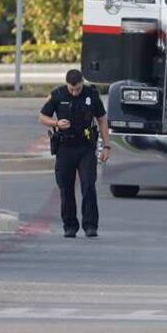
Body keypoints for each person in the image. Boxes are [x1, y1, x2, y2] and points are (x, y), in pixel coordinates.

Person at [39, 69, 111, 237]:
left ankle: (90, 225)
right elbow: (42, 117)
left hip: (85, 147)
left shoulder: (91, 95)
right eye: (71, 89)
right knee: (66, 188)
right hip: (65, 147)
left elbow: (101, 119)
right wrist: (56, 122)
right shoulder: (58, 94)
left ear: (81, 83)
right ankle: (70, 225)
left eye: (77, 89)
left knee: (88, 185)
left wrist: (106, 146)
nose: (74, 92)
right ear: (67, 84)